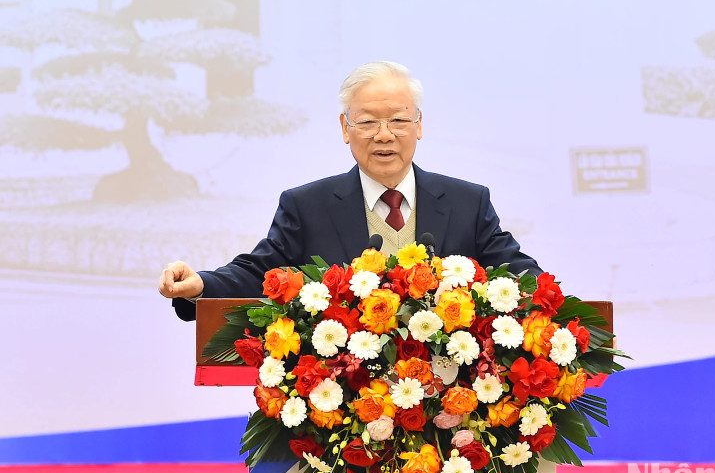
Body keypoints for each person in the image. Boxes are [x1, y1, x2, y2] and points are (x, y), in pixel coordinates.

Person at [159, 61, 541, 321]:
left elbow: (517, 274)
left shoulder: (467, 202)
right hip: (344, 410)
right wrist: (201, 286)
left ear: (419, 125)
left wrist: (563, 310)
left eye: (398, 120)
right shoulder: (307, 206)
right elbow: (260, 272)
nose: (385, 134)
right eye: (368, 122)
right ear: (345, 128)